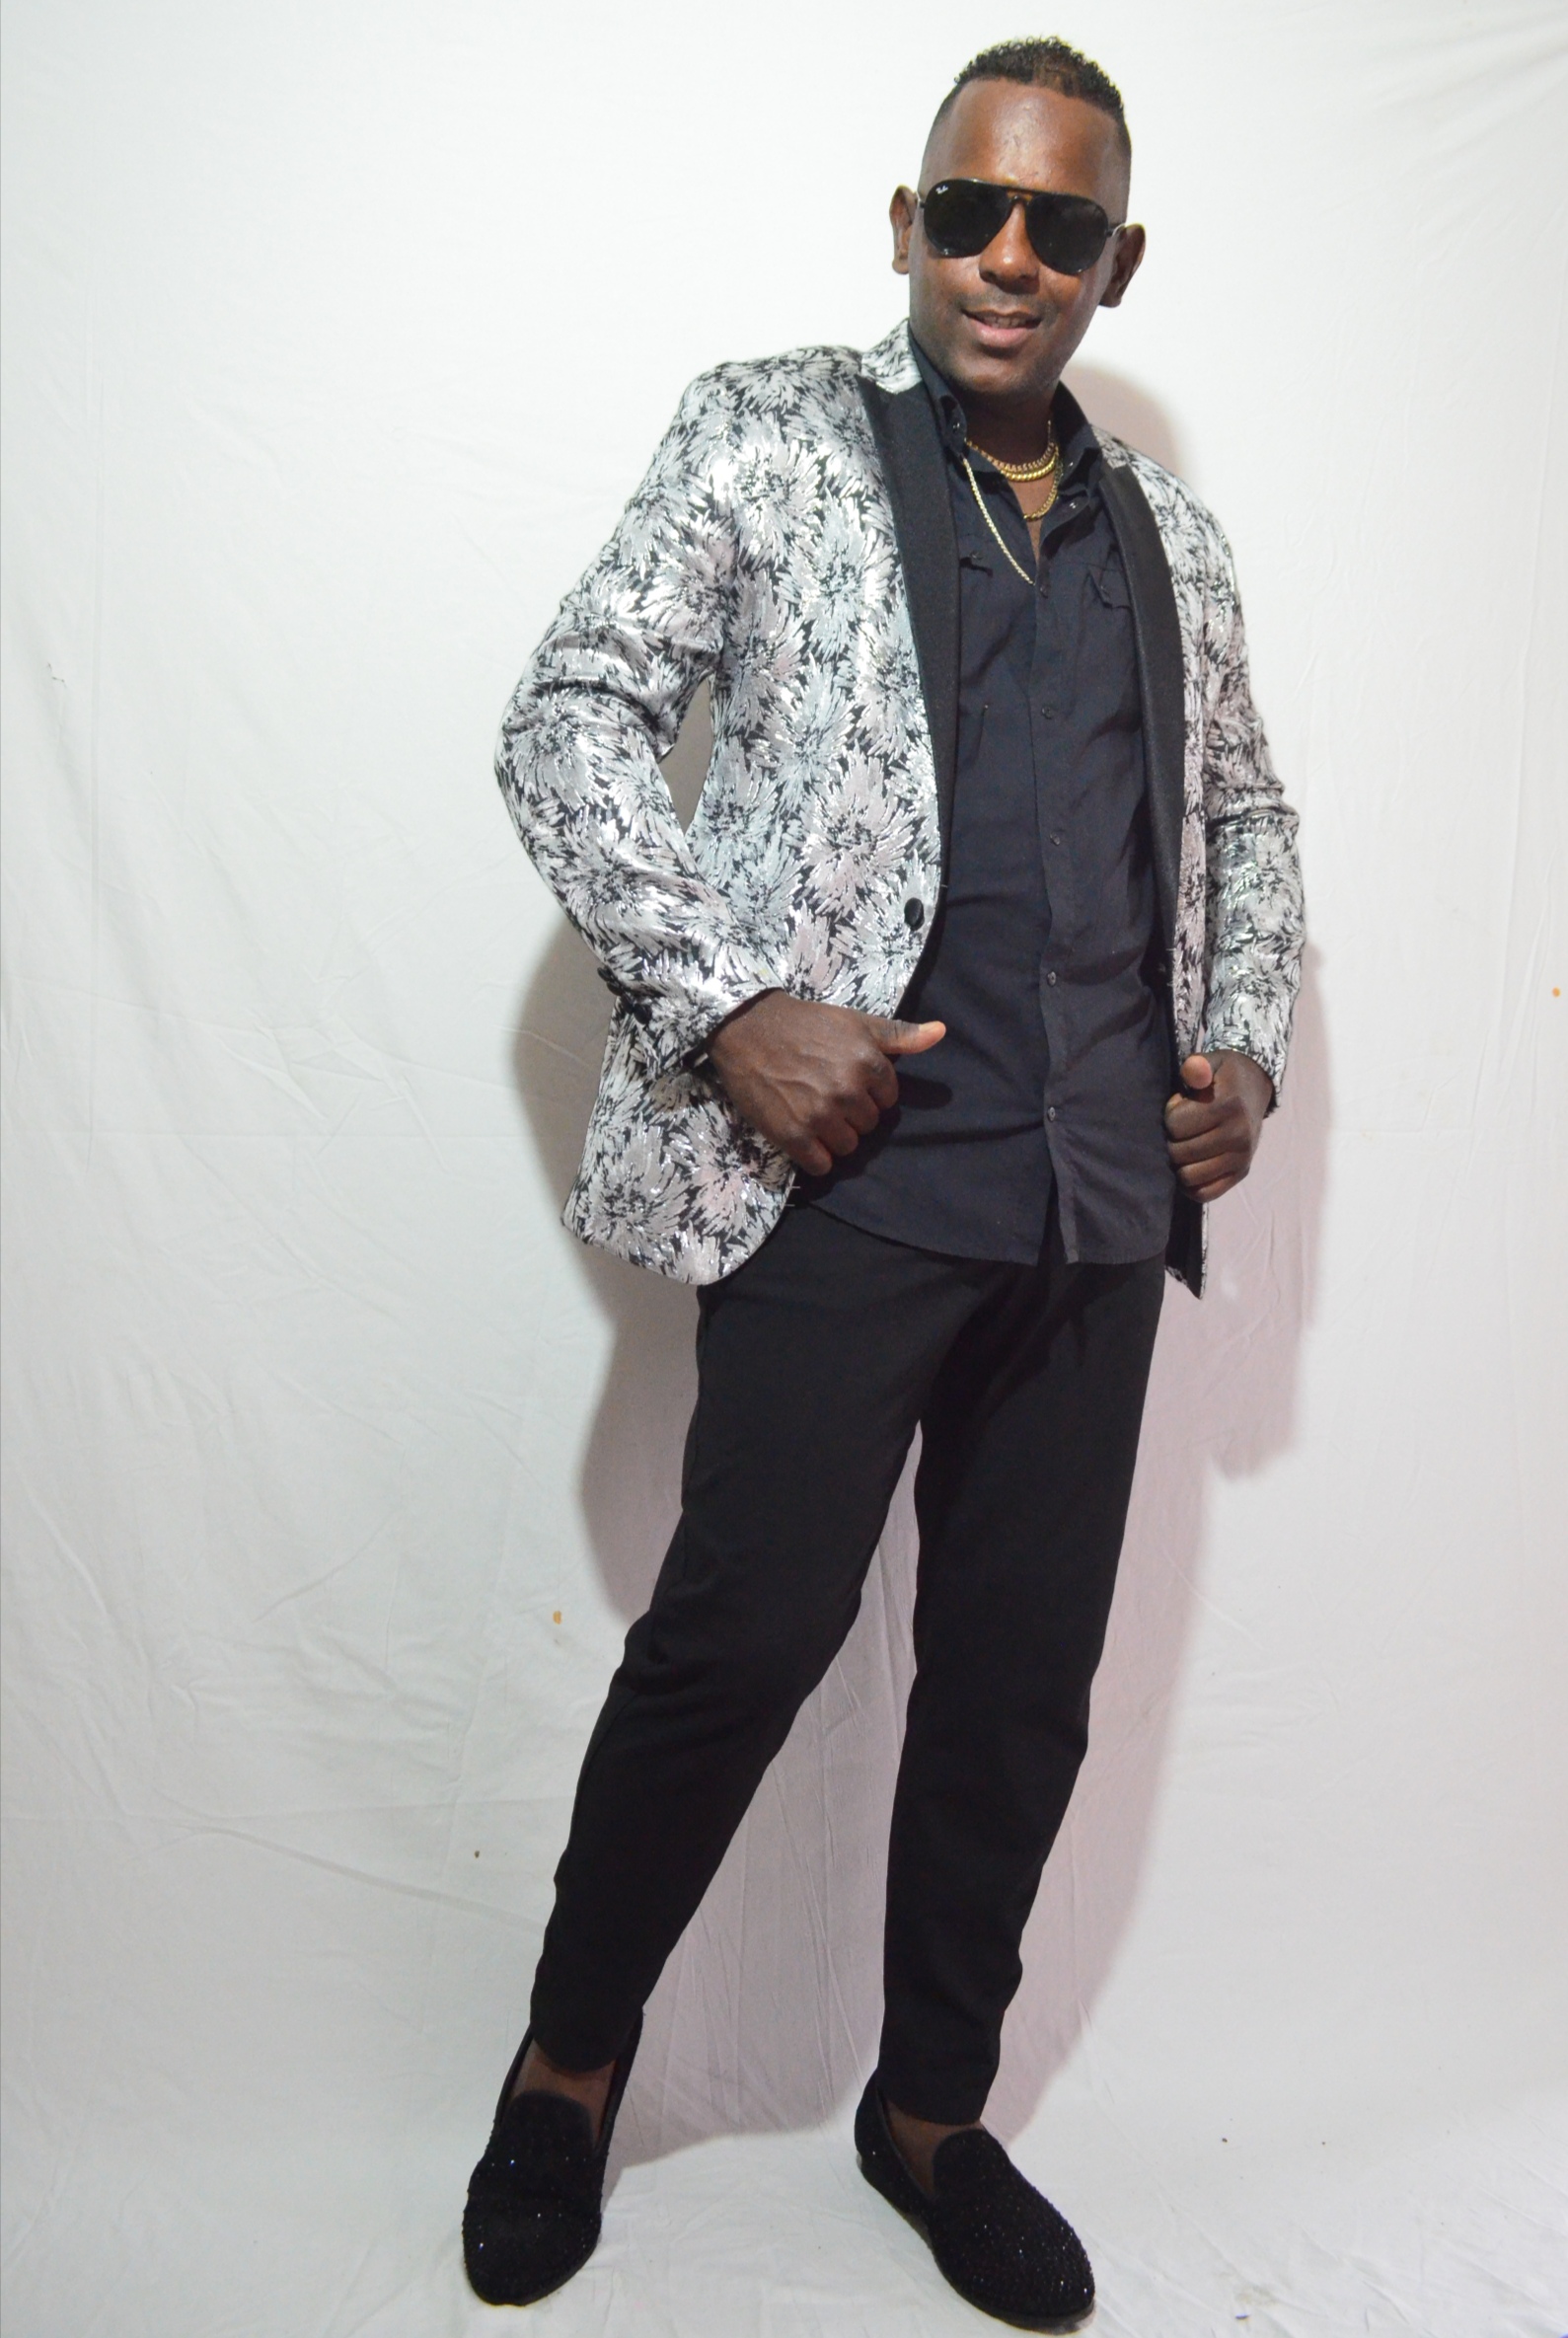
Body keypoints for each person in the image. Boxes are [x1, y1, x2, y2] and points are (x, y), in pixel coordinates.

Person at [463, 37, 1304, 2329]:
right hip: (850, 1185)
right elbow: (569, 715)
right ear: (907, 223)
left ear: (1120, 259)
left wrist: (1242, 1042)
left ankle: (931, 2114)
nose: (1008, 256)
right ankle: (569, 2065)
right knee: (743, 1639)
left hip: (1096, 1207)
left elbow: (1246, 811)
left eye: (1059, 224)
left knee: (1021, 1687)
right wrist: (731, 1000)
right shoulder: (769, 434)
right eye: (970, 209)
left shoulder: (1173, 536)